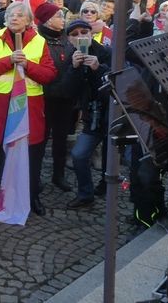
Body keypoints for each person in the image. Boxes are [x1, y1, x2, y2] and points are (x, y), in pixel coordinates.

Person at [0, 2, 57, 216]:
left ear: (29, 21)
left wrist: (28, 66)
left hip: (28, 108)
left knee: (31, 155)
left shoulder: (39, 42)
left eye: (20, 15)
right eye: (10, 15)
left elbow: (49, 75)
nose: (14, 18)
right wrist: (8, 61)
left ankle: (31, 197)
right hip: (0, 108)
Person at [64, 20, 111, 208]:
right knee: (79, 154)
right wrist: (74, 69)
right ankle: (86, 193)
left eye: (84, 32)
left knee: (112, 158)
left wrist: (98, 69)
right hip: (92, 117)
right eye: (74, 34)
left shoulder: (107, 52)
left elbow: (118, 84)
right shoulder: (71, 56)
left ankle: (108, 187)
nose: (80, 36)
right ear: (69, 39)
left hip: (112, 114)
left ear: (92, 34)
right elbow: (68, 91)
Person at [34, 2, 78, 192]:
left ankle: (58, 175)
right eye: (59, 16)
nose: (63, 19)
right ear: (48, 20)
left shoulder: (67, 40)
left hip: (65, 98)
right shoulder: (37, 40)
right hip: (44, 98)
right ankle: (35, 178)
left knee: (61, 139)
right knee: (40, 140)